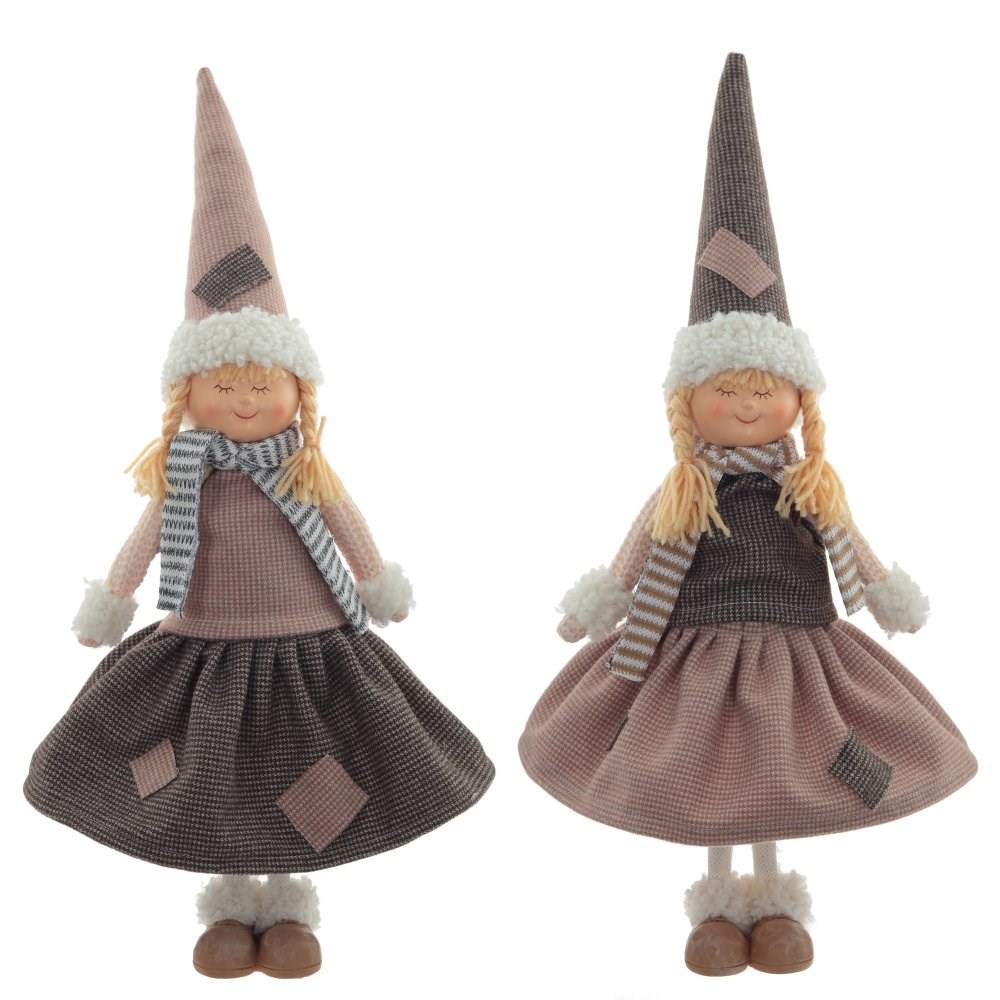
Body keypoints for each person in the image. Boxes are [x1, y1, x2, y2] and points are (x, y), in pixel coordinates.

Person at [24, 69, 494, 980]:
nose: (244, 398)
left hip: (308, 644)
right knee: (211, 776)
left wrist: (377, 580)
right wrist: (112, 601)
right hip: (203, 642)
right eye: (224, 384)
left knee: (308, 772)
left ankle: (287, 906)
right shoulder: (186, 471)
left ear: (296, 390)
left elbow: (346, 521)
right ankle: (230, 903)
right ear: (188, 394)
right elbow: (148, 537)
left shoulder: (305, 467)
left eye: (261, 382)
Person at [518, 54, 976, 977]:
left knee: (789, 771)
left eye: (765, 388)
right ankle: (719, 903)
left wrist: (887, 595)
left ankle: (775, 900)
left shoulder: (811, 486)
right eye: (725, 389)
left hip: (800, 653)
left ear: (799, 399)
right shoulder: (682, 490)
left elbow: (852, 551)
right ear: (688, 402)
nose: (746, 403)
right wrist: (596, 606)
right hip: (691, 653)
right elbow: (636, 556)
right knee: (705, 775)